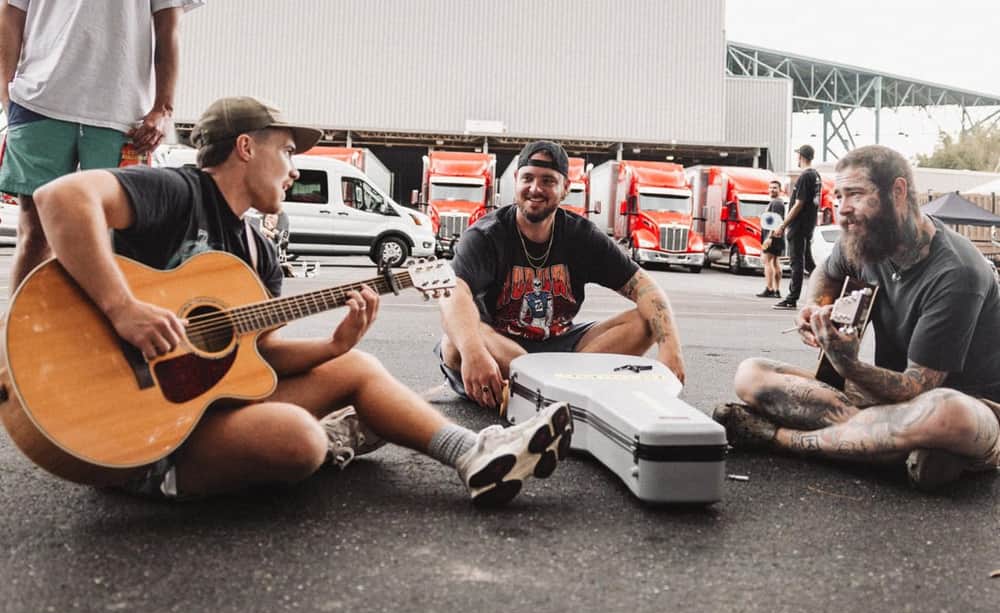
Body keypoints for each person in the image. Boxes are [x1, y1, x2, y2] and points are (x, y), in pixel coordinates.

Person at [28, 96, 574, 507]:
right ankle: (174, 473)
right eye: (287, 151)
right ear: (245, 147)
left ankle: (473, 453)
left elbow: (257, 361)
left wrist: (334, 343)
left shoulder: (258, 251)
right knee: (301, 444)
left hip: (203, 411)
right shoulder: (179, 192)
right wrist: (123, 308)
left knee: (356, 365)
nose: (294, 169)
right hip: (132, 426)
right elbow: (61, 198)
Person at [713, 145, 1000, 491]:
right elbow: (826, 273)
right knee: (753, 374)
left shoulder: (958, 272)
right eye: (838, 196)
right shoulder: (867, 240)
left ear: (897, 192)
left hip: (967, 404)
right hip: (885, 401)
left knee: (946, 415)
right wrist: (816, 305)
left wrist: (847, 364)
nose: (842, 209)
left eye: (856, 194)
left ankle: (779, 439)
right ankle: (892, 445)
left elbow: (916, 388)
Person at [437, 140, 686, 410]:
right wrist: (473, 351)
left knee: (647, 321)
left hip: (561, 349)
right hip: (501, 348)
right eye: (528, 178)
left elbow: (645, 288)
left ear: (565, 188)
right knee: (454, 342)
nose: (535, 188)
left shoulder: (581, 235)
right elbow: (453, 291)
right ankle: (568, 393)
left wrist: (671, 348)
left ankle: (543, 395)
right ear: (515, 181)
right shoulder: (486, 235)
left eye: (548, 180)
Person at [0, 0, 203, 294]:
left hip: (123, 116)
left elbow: (169, 25)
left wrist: (164, 108)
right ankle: (22, 332)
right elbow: (11, 10)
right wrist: (5, 88)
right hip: (39, 103)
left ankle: (104, 334)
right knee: (36, 233)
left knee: (118, 236)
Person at [771, 144, 821, 310]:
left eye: (798, 156)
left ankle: (792, 298)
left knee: (797, 262)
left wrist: (783, 225)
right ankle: (826, 289)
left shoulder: (805, 176)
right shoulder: (816, 176)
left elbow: (799, 203)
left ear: (801, 157)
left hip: (798, 226)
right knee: (808, 263)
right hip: (808, 225)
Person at [757, 179, 786, 299]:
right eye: (770, 187)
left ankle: (769, 289)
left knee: (767, 261)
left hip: (772, 237)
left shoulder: (777, 203)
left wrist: (769, 238)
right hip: (776, 237)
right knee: (775, 262)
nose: (772, 190)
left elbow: (775, 221)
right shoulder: (776, 202)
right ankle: (776, 290)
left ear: (780, 190)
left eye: (775, 188)